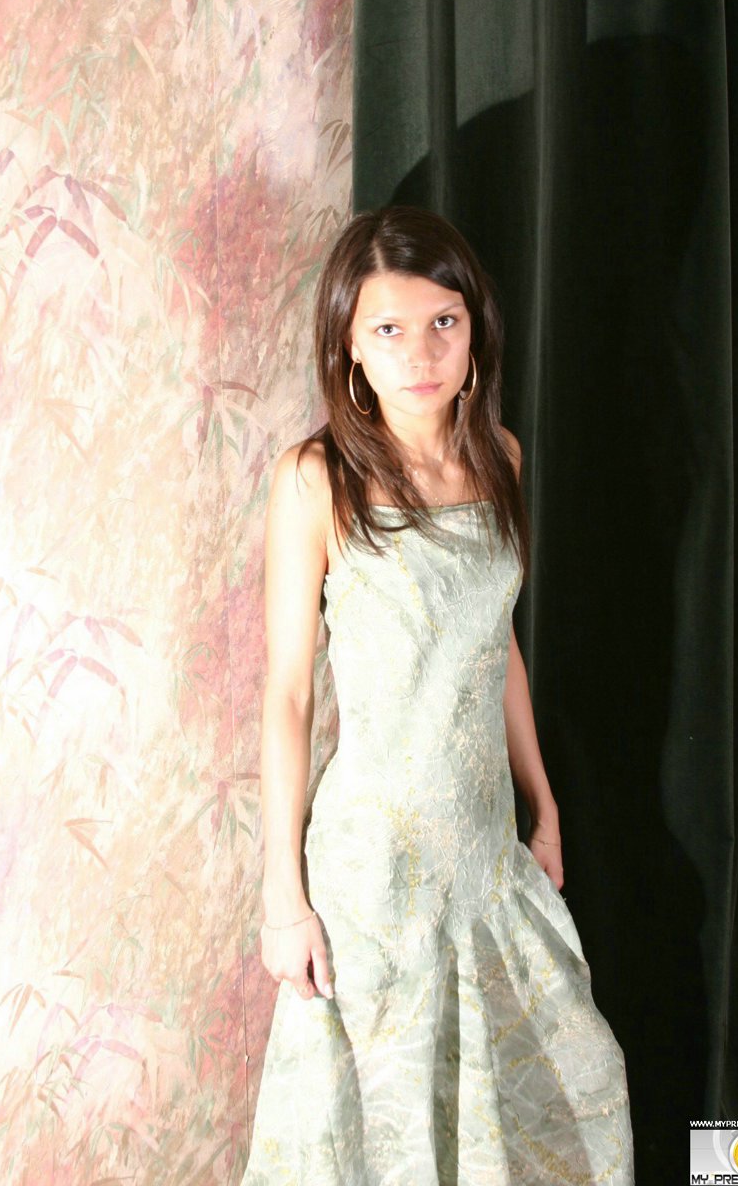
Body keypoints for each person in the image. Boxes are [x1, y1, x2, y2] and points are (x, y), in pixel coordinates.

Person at [242, 206, 635, 1185]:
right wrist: (283, 894)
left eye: (442, 323)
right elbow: (287, 693)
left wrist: (542, 802)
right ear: (348, 345)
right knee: (391, 1135)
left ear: (474, 329)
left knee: (562, 1088)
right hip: (374, 873)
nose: (419, 353)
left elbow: (496, 643)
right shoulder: (316, 479)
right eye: (388, 328)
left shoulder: (500, 455)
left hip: (483, 853)